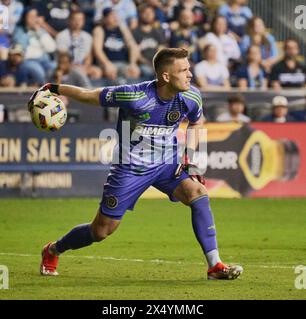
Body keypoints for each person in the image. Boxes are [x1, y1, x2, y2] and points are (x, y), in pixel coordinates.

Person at [29, 47, 243, 280]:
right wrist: (53, 88)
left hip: (167, 164)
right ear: (166, 76)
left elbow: (197, 123)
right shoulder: (135, 96)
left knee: (198, 193)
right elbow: (90, 94)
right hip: (130, 168)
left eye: (189, 68)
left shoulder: (191, 96)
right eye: (183, 70)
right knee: (101, 231)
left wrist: (190, 158)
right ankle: (53, 249)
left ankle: (215, 265)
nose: (190, 74)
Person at [93, 7, 140, 84]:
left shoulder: (122, 29)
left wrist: (133, 63)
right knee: (111, 72)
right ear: (105, 19)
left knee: (134, 71)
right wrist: (107, 64)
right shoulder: (99, 30)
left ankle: (131, 94)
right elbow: (97, 50)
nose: (115, 17)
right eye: (112, 16)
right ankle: (112, 95)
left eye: (116, 15)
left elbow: (133, 46)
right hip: (108, 63)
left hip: (123, 63)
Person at [12, 7, 56, 85]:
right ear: (24, 17)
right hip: (28, 61)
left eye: (35, 16)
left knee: (54, 67)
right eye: (30, 17)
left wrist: (38, 31)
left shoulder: (40, 30)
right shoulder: (20, 31)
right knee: (39, 72)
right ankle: (44, 91)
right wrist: (28, 31)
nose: (33, 19)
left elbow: (51, 48)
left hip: (44, 60)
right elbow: (20, 48)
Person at [56, 10, 101, 81]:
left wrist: (85, 67)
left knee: (97, 71)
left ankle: (91, 91)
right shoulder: (62, 35)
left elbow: (88, 57)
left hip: (82, 66)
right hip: (66, 67)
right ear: (69, 21)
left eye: (80, 19)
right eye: (75, 19)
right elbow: (63, 59)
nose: (77, 22)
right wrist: (74, 68)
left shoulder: (88, 37)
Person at [132, 4, 167, 80]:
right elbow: (135, 53)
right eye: (145, 13)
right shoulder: (135, 32)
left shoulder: (158, 32)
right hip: (143, 64)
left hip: (157, 63)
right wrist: (147, 63)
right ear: (140, 15)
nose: (148, 15)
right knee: (147, 71)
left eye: (150, 13)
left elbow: (162, 48)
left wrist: (157, 63)